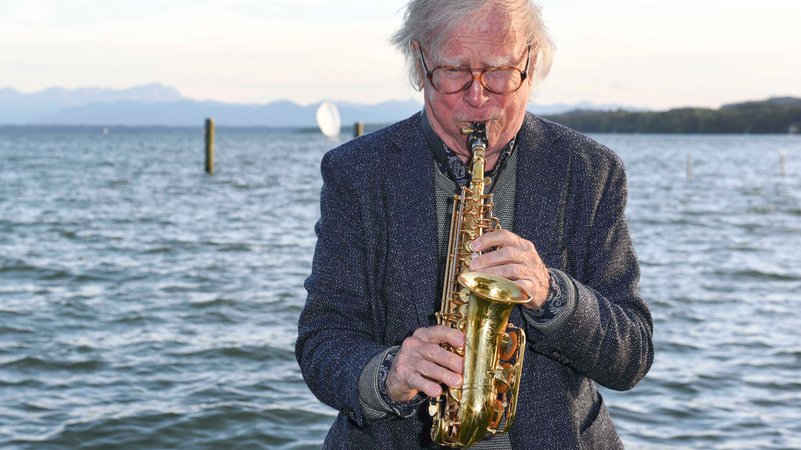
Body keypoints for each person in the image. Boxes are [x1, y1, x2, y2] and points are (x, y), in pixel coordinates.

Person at [296, 0, 654, 448]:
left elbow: (632, 356)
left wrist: (552, 294)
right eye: (454, 71)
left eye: (500, 71)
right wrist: (391, 374)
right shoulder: (357, 173)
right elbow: (322, 341)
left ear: (532, 62)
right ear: (418, 60)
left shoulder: (590, 170)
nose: (478, 96)